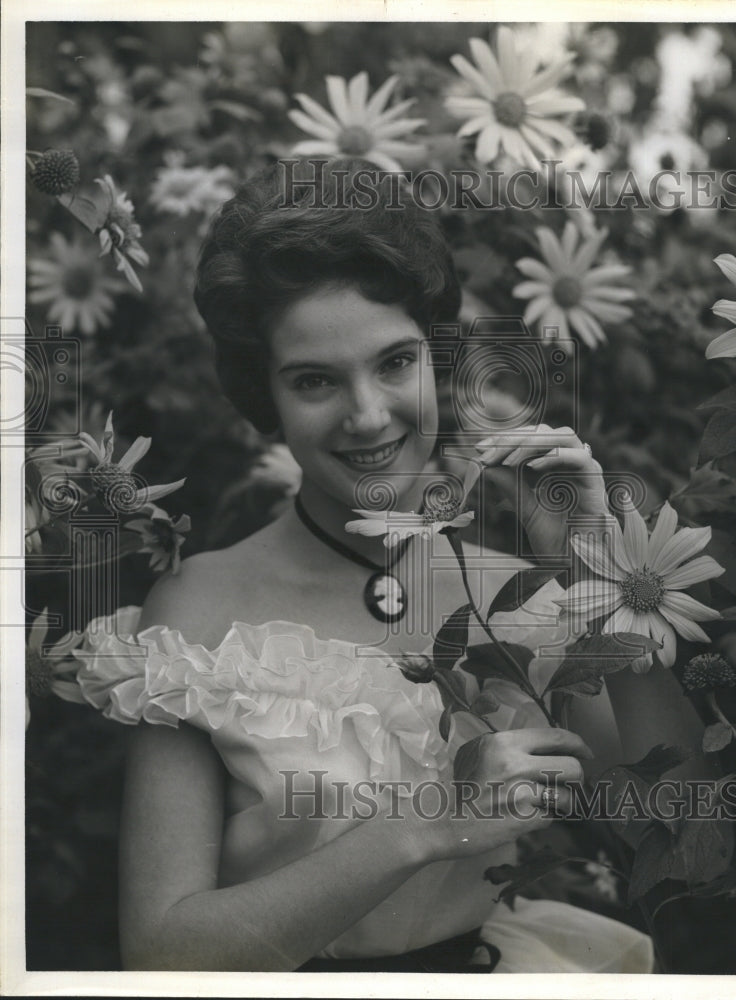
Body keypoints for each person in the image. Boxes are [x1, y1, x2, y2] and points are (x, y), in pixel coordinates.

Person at [67, 159, 699, 973]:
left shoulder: (515, 595)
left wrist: (610, 581)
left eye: (395, 362)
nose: (368, 415)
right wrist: (426, 827)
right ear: (265, 399)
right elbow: (160, 953)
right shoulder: (199, 608)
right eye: (315, 381)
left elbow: (682, 837)